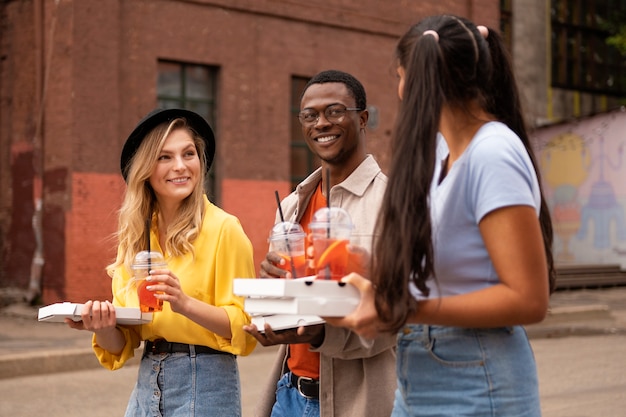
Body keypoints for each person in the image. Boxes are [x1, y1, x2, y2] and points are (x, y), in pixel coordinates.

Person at [328, 15, 556, 417]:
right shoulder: (440, 154)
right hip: (419, 374)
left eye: (400, 77)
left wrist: (399, 308)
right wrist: (359, 273)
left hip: (477, 378)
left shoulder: (493, 154)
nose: (399, 91)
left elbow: (528, 299)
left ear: (418, 80)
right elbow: (449, 270)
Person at [65, 108, 257, 416]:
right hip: (147, 380)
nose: (180, 166)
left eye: (188, 153)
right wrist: (101, 325)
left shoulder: (224, 229)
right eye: (164, 157)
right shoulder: (136, 236)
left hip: (206, 381)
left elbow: (246, 328)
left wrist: (184, 303)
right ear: (145, 169)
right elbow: (122, 345)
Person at [244, 69, 396, 417]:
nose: (321, 123)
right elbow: (293, 292)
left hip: (353, 401)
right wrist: (272, 294)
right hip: (289, 393)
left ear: (362, 119)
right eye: (310, 115)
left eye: (335, 111)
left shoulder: (393, 203)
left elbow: (397, 318)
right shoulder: (293, 204)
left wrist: (319, 334)